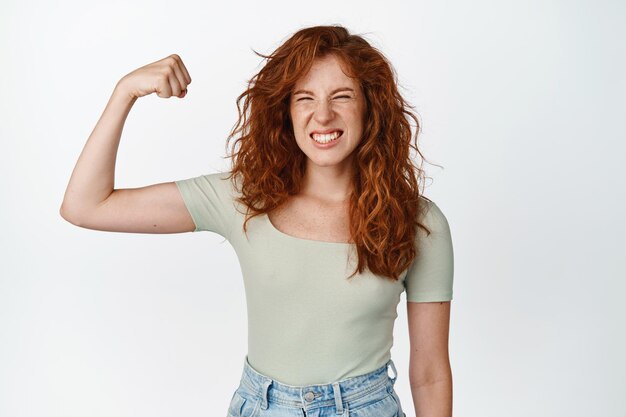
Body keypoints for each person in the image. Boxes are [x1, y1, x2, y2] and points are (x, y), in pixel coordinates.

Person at [60, 25, 454, 417]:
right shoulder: (244, 198)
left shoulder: (420, 223)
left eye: (342, 96)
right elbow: (85, 206)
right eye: (305, 98)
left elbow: (430, 373)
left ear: (371, 107)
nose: (323, 114)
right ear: (285, 110)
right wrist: (124, 92)